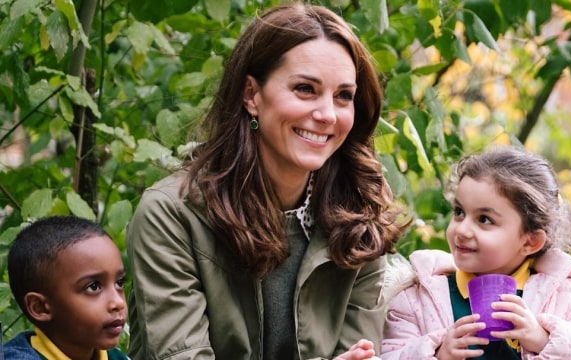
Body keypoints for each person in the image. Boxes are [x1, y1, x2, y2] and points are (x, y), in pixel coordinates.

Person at [125, 3, 410, 360]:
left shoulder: (358, 217)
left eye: (343, 96)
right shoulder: (172, 216)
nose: (326, 115)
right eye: (305, 89)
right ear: (251, 95)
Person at [380, 146, 571, 359]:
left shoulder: (568, 297)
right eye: (459, 212)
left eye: (484, 219)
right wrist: (437, 354)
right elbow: (387, 355)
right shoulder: (418, 298)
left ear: (530, 241)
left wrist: (543, 339)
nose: (462, 229)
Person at [3, 215, 128, 360]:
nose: (118, 303)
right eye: (93, 287)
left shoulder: (116, 357)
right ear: (40, 307)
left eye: (119, 283)